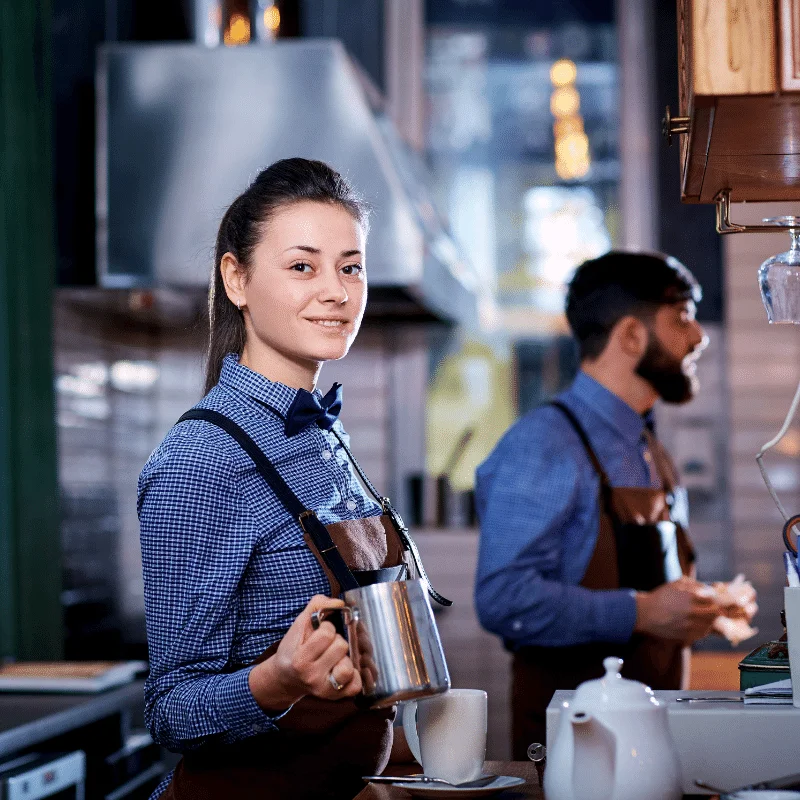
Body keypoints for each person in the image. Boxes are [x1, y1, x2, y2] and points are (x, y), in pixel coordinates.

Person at [138, 158, 416, 800]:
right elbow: (172, 711)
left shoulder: (322, 435)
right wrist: (278, 680)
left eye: (351, 267)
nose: (338, 291)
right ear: (236, 279)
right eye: (302, 266)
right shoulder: (203, 459)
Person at [474, 251, 757, 758]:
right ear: (630, 335)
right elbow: (505, 601)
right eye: (682, 318)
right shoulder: (544, 443)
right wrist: (643, 612)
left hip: (655, 738)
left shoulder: (646, 443)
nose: (699, 337)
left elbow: (652, 580)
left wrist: (698, 607)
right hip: (580, 751)